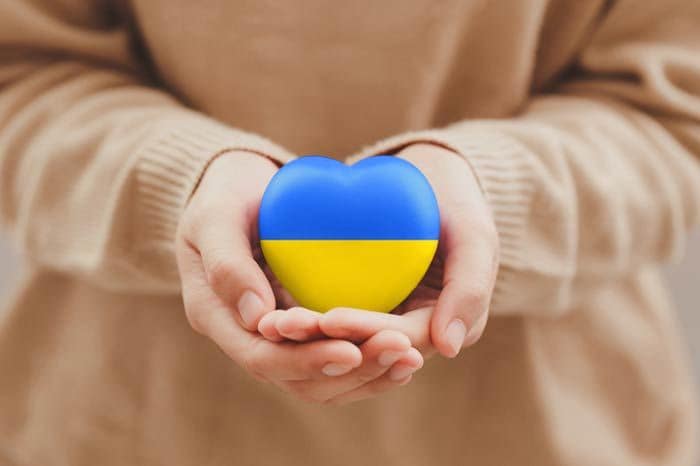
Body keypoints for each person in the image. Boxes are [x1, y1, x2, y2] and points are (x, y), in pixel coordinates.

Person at [0, 1, 698, 465]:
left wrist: (490, 191)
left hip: (553, 431)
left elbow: (674, 113)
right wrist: (180, 184)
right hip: (124, 427)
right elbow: (19, 77)